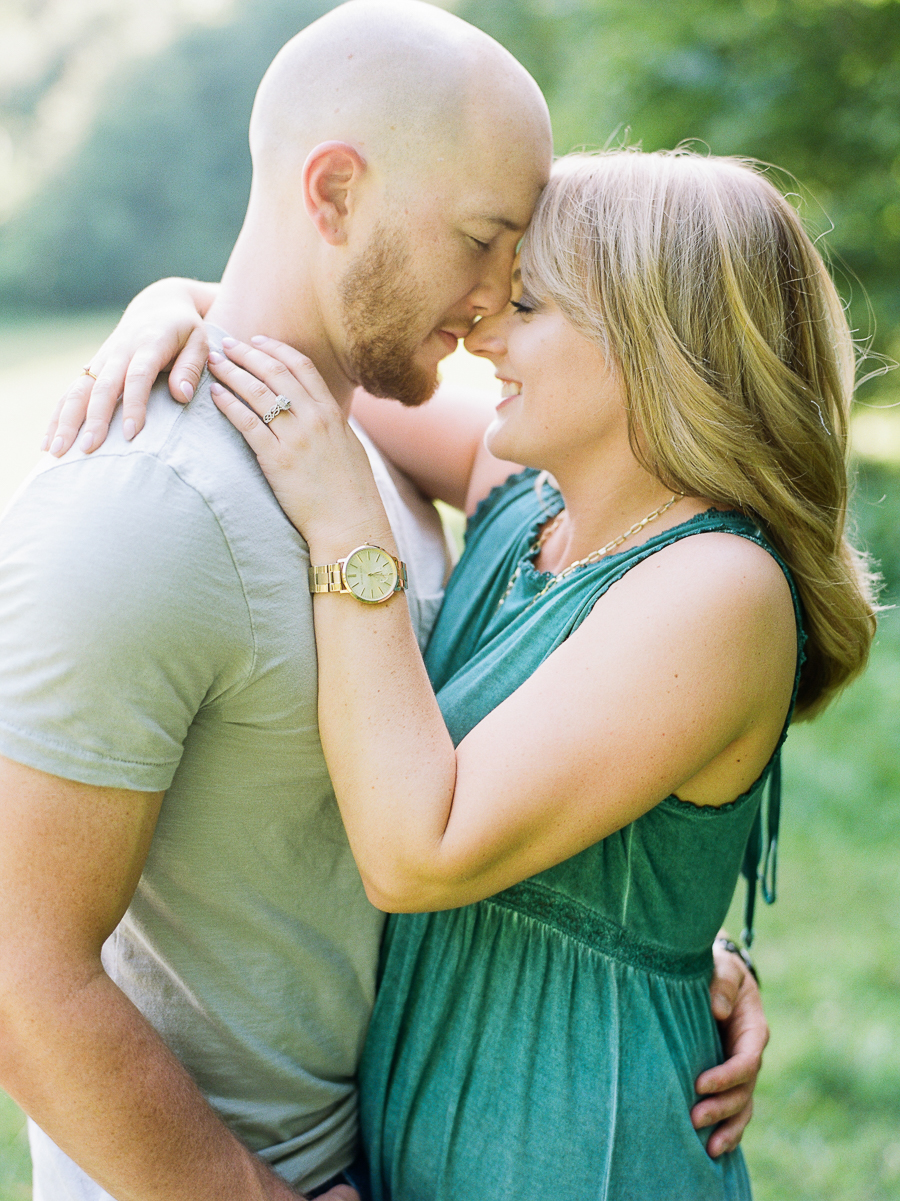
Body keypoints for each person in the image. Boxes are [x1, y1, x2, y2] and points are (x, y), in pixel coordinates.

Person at [0, 4, 761, 1200]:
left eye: (526, 271)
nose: (499, 296)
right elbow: (16, 966)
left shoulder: (357, 450)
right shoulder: (139, 510)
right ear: (337, 194)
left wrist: (659, 941)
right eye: (484, 239)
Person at [95, 149, 874, 1198]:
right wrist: (161, 309)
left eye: (528, 303)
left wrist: (346, 521)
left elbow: (420, 850)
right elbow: (271, 342)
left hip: (579, 1149)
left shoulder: (719, 586)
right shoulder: (525, 496)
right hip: (434, 1121)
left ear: (653, 342)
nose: (482, 332)